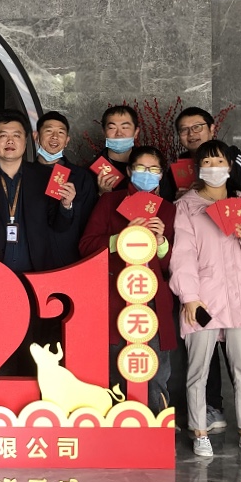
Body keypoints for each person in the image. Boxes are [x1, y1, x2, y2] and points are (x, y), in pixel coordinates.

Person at [169, 139, 241, 460]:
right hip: (204, 300)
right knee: (198, 370)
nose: (213, 168)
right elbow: (182, 256)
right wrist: (190, 297)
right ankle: (200, 432)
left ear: (230, 167)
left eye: (219, 162)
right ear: (198, 168)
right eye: (207, 162)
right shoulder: (187, 207)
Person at [0, 110, 75, 374]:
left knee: (35, 346)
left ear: (27, 141)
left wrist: (67, 206)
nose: (9, 141)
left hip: (35, 276)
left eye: (16, 135)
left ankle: (32, 395)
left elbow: (59, 226)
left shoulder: (45, 177)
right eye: (2, 135)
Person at [79, 145, 176, 413]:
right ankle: (117, 425)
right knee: (116, 363)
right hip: (115, 295)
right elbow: (86, 246)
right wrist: (120, 238)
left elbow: (170, 266)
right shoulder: (110, 202)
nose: (147, 174)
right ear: (130, 171)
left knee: (154, 366)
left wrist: (160, 242)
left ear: (161, 175)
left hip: (152, 298)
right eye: (141, 168)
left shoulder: (168, 210)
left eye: (154, 169)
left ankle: (155, 424)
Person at [34, 110, 97, 266]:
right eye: (49, 131)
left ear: (67, 140)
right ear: (36, 136)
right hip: (32, 259)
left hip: (70, 259)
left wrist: (68, 206)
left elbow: (89, 224)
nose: (55, 137)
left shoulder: (82, 178)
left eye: (61, 133)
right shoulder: (24, 174)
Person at [93, 105, 176, 202]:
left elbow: (168, 203)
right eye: (112, 128)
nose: (119, 133)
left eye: (125, 127)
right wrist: (102, 195)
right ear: (104, 132)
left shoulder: (152, 164)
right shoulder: (93, 170)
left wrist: (156, 199)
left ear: (136, 132)